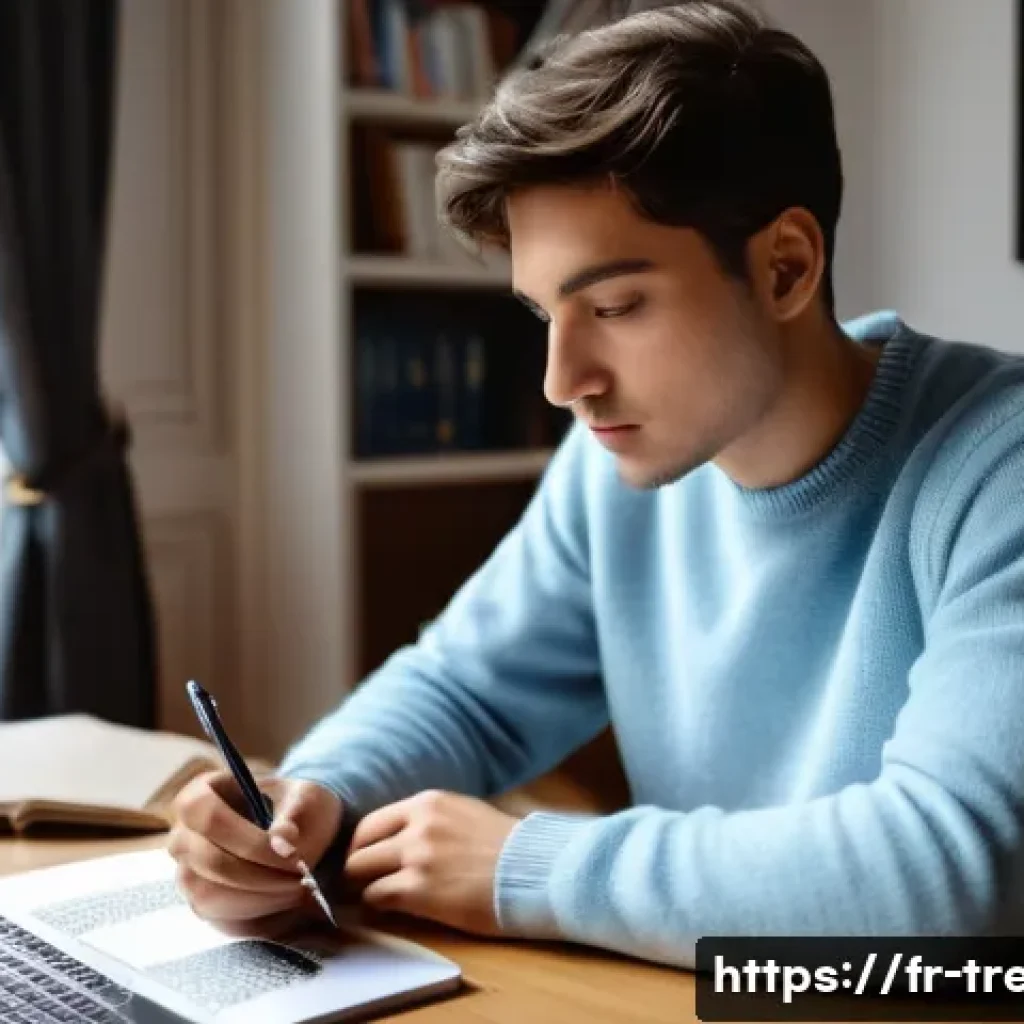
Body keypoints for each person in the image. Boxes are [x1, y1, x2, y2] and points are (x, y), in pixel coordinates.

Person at [168, 0, 1024, 968]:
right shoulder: (616, 465)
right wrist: (311, 801)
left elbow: (957, 877)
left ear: (786, 267)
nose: (561, 381)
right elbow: (466, 691)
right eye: (545, 314)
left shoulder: (1001, 467)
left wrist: (530, 867)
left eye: (614, 306)